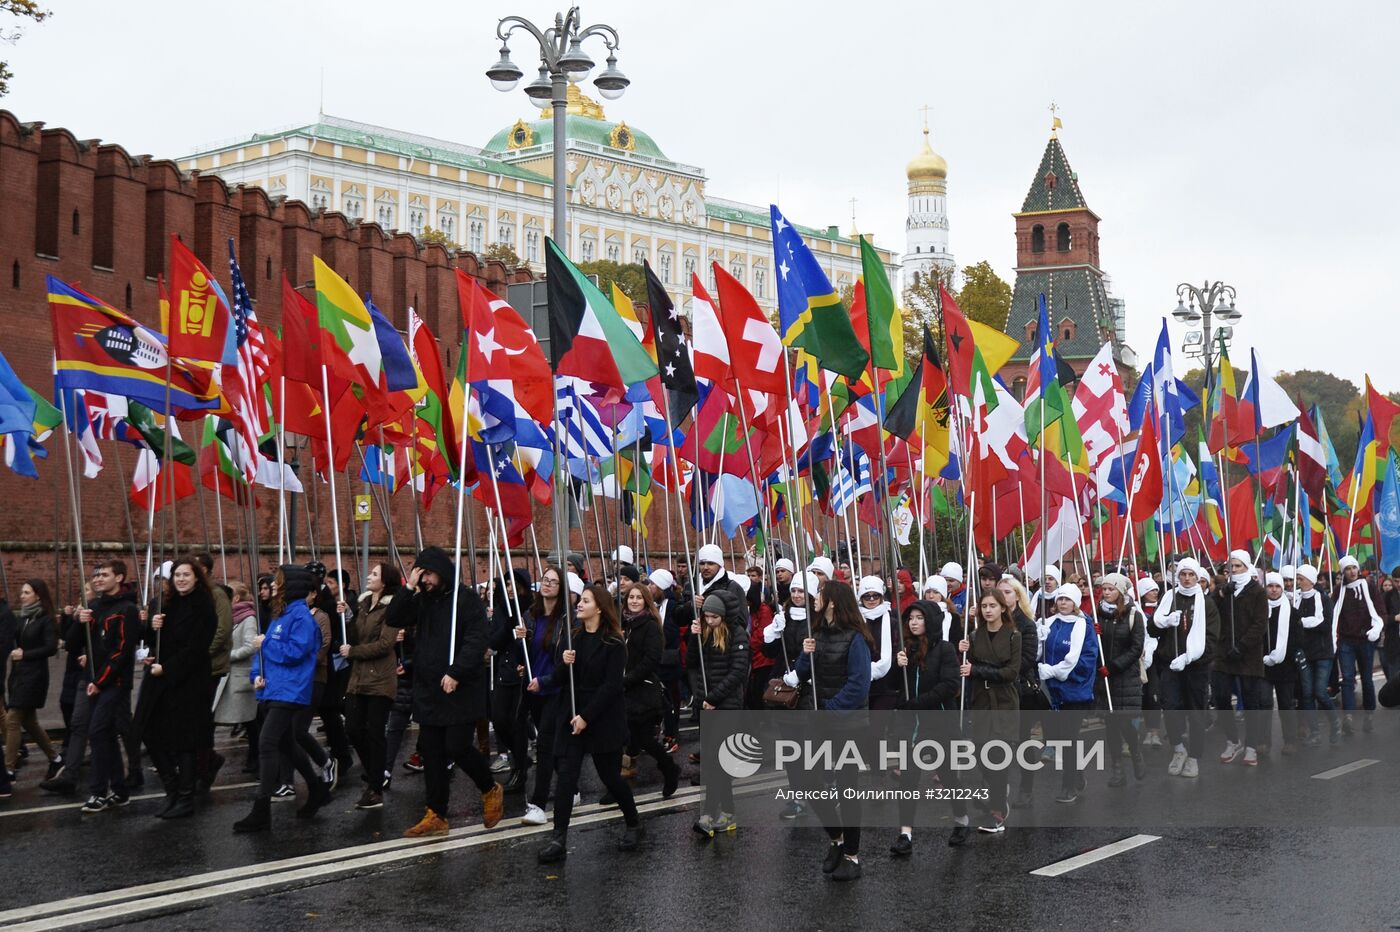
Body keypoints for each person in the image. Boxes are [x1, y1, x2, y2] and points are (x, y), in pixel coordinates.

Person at [386, 546, 504, 838]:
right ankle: (436, 813)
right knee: (432, 752)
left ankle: (489, 788)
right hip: (428, 688)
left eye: (427, 573)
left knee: (457, 746)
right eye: (420, 574)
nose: (424, 579)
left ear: (441, 570)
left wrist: (456, 672)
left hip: (460, 688)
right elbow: (394, 617)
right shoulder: (422, 598)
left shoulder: (467, 601)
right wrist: (409, 586)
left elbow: (477, 641)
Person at [535, 583, 645, 862]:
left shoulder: (614, 642)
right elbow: (562, 678)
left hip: (602, 717)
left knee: (610, 777)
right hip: (572, 715)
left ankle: (633, 822)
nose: (579, 605)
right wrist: (560, 665)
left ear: (599, 607)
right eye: (580, 600)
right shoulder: (573, 638)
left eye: (585, 601)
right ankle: (559, 838)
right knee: (566, 778)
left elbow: (611, 687)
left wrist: (587, 717)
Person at [233, 565, 332, 833]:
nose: (273, 586)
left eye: (278, 582)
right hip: (272, 688)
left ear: (292, 586)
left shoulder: (301, 617)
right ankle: (316, 788)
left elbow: (295, 652)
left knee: (267, 742)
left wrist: (265, 644)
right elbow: (261, 650)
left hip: (291, 689)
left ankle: (261, 810)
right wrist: (256, 673)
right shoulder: (280, 614)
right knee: (287, 744)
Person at [789, 580, 872, 880]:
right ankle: (836, 836)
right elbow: (800, 675)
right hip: (821, 721)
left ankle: (852, 855)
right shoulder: (816, 633)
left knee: (847, 788)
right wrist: (804, 653)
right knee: (805, 777)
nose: (814, 598)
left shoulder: (855, 639)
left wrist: (830, 709)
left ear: (833, 602)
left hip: (848, 724)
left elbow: (860, 684)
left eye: (820, 595)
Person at [134, 557, 217, 819]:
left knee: (185, 741)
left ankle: (185, 797)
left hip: (188, 682)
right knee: (146, 730)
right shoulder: (165, 604)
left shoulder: (204, 606)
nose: (181, 579)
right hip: (159, 679)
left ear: (196, 578)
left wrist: (168, 668)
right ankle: (171, 788)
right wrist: (151, 628)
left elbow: (196, 648)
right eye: (177, 575)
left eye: (186, 575)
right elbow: (154, 642)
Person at [889, 599, 959, 855]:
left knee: (948, 775)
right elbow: (896, 686)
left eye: (919, 618)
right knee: (908, 778)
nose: (914, 622)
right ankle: (905, 834)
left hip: (938, 723)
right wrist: (898, 668)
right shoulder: (906, 649)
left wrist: (917, 703)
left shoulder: (946, 649)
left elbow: (949, 686)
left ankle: (961, 819)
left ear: (929, 621)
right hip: (912, 725)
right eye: (911, 618)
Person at [78, 560, 142, 815]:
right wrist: (77, 620)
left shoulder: (127, 609)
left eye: (104, 574)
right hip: (94, 681)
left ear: (119, 577)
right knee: (105, 735)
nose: (98, 579)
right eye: (96, 575)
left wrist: (99, 681)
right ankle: (120, 789)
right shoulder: (94, 606)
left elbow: (122, 651)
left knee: (97, 732)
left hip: (113, 683)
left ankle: (98, 792)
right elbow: (76, 642)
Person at [955, 591, 1021, 839]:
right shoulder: (974, 635)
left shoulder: (1014, 635)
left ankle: (997, 811)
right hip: (981, 702)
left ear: (1003, 608)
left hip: (1003, 702)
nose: (988, 610)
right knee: (982, 756)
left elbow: (1011, 673)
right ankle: (997, 789)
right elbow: (965, 667)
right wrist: (961, 650)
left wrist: (977, 669)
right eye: (984, 606)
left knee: (996, 756)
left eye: (993, 605)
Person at [338, 561, 402, 810]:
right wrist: (348, 617)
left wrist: (353, 651)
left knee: (375, 732)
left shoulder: (392, 608)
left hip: (380, 679)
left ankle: (375, 787)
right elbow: (354, 636)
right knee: (353, 728)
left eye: (374, 574)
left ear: (384, 581)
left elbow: (385, 644)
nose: (368, 576)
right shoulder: (363, 604)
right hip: (359, 677)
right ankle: (374, 771)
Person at [519, 567, 579, 826]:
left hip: (555, 689)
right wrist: (518, 641)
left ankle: (538, 804)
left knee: (544, 745)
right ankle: (572, 787)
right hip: (533, 688)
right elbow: (525, 652)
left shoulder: (569, 619)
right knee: (553, 747)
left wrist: (544, 680)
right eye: (545, 580)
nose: (547, 585)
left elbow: (567, 660)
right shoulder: (529, 616)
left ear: (562, 589)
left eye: (554, 582)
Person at [689, 587, 750, 837]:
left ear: (723, 616)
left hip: (727, 706)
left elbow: (737, 672)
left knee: (715, 763)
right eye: (706, 617)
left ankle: (708, 814)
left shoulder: (737, 636)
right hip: (708, 705)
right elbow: (694, 664)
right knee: (716, 763)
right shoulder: (704, 632)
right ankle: (728, 812)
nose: (709, 621)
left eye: (714, 617)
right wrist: (693, 638)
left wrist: (713, 698)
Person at [1152, 558, 1220, 779]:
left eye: (1192, 575)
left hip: (1196, 668)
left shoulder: (1207, 603)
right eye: (1183, 574)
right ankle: (1178, 748)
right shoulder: (1168, 598)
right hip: (1170, 666)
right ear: (1178, 576)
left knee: (1196, 713)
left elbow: (1211, 639)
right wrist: (1163, 622)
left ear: (1198, 577)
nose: (1187, 579)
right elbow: (1152, 629)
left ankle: (1194, 757)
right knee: (1171, 710)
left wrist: (1190, 658)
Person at [766, 571, 819, 821]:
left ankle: (822, 788)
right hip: (786, 691)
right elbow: (770, 652)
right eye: (795, 591)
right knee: (790, 747)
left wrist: (801, 673)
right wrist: (773, 633)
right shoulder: (783, 616)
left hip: (810, 690)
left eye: (802, 591)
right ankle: (797, 796)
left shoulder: (819, 620)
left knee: (811, 746)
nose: (797, 595)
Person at [1038, 584, 1098, 805]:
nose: (1062, 603)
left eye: (1067, 599)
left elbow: (1087, 660)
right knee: (1054, 737)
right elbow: (1039, 654)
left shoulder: (1084, 626)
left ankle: (1068, 785)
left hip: (1074, 692)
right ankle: (1077, 773)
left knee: (1068, 739)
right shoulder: (1049, 624)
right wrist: (1038, 640)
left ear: (1075, 603)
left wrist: (1058, 673)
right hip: (1051, 692)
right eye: (1060, 599)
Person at [619, 582, 680, 797]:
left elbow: (651, 660)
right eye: (631, 597)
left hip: (642, 692)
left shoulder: (650, 625)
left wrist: (627, 679)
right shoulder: (625, 624)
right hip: (625, 691)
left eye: (638, 597)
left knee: (643, 739)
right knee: (626, 738)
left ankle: (669, 767)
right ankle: (616, 784)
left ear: (646, 600)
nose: (634, 601)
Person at [1211, 551, 1269, 766]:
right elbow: (1211, 612)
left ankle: (1251, 745)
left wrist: (1243, 645)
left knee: (1251, 701)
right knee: (1221, 696)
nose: (1233, 570)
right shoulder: (1225, 591)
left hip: (1248, 654)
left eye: (1238, 566)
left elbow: (1260, 623)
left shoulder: (1258, 592)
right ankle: (1232, 740)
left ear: (1246, 567)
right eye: (1231, 567)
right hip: (1224, 653)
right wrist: (1219, 594)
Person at [5, 579, 63, 783]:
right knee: (29, 722)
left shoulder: (45, 619)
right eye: (21, 592)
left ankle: (8, 771)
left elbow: (51, 647)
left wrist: (25, 654)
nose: (21, 596)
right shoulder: (23, 618)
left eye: (26, 592)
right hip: (19, 675)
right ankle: (56, 759)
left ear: (38, 595)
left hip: (35, 677)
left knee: (12, 719)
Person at [1095, 573, 1146, 787]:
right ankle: (1117, 769)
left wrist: (1114, 667)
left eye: (1110, 589)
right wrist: (1093, 631)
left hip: (1124, 676)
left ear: (1121, 592)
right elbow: (1095, 645)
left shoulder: (1134, 614)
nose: (1106, 592)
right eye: (1104, 589)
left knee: (1124, 722)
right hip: (1104, 679)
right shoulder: (1097, 614)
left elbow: (1136, 648)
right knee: (1110, 725)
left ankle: (1135, 751)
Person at [487, 568, 534, 794]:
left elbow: (531, 641)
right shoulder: (501, 611)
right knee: (498, 719)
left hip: (523, 674)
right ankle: (520, 756)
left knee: (517, 723)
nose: (509, 589)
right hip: (504, 673)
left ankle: (519, 771)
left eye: (514, 585)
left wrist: (525, 633)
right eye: (506, 585)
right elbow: (494, 642)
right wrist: (507, 623)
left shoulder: (531, 609)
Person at [1000, 575, 1045, 809]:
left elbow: (1028, 659)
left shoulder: (1026, 624)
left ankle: (1026, 788)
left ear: (1017, 595)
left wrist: (1001, 667)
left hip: (1019, 690)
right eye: (1001, 592)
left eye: (1008, 592)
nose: (1003, 596)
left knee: (1021, 742)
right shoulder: (991, 620)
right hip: (996, 690)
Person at [193, 553, 233, 791]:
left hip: (211, 665)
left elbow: (222, 631)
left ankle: (205, 764)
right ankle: (205, 761)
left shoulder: (217, 595)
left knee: (202, 719)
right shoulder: (197, 595)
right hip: (194, 665)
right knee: (194, 718)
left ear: (205, 570)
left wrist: (199, 654)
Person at [1333, 555, 1382, 731]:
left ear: (1358, 568)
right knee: (1347, 679)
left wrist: (1375, 629)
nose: (1352, 571)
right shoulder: (1339, 590)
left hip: (1365, 641)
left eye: (1354, 567)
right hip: (1346, 641)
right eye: (1348, 569)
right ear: (1343, 571)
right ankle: (1349, 715)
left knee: (1367, 679)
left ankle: (1369, 714)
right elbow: (1334, 614)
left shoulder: (1369, 586)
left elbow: (1379, 611)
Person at [214, 582, 260, 772]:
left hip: (239, 676)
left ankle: (256, 758)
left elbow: (251, 646)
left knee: (250, 721)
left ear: (236, 598)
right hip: (228, 677)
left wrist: (227, 656)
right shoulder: (228, 617)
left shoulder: (247, 618)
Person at [1295, 565, 1339, 746]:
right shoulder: (1296, 600)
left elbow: (1325, 625)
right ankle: (1315, 732)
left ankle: (1335, 723)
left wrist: (1303, 622)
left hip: (1322, 653)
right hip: (1304, 653)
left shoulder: (1323, 599)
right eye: (1297, 578)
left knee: (1320, 692)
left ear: (1310, 580)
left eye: (1301, 578)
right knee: (1307, 694)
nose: (1298, 582)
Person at [1261, 571, 1299, 756]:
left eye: (1277, 586)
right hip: (1263, 665)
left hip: (1286, 666)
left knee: (1285, 704)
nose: (1274, 590)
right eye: (1270, 586)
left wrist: (1282, 654)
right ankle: (1264, 742)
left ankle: (1291, 741)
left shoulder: (1292, 611)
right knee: (1264, 703)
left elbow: (1297, 639)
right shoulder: (1259, 609)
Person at [646, 569, 683, 752]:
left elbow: (670, 633)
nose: (650, 587)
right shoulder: (653, 604)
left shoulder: (672, 605)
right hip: (655, 661)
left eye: (653, 584)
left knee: (670, 700)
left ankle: (671, 735)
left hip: (668, 661)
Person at [858, 576, 901, 710]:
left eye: (875, 596)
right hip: (861, 680)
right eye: (867, 596)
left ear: (882, 597)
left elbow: (896, 647)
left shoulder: (892, 620)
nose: (871, 599)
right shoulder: (855, 621)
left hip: (886, 683)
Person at [1136, 578, 1164, 748]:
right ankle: (1137, 733)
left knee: (1154, 695)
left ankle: (1154, 732)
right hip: (1141, 657)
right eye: (1150, 590)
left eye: (1156, 590)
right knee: (1141, 696)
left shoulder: (1162, 609)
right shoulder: (1137, 610)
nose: (1155, 593)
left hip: (1158, 658)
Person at [745, 573, 778, 709]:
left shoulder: (763, 610)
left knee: (759, 691)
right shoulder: (751, 610)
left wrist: (747, 644)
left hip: (763, 658)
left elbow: (762, 634)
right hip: (754, 657)